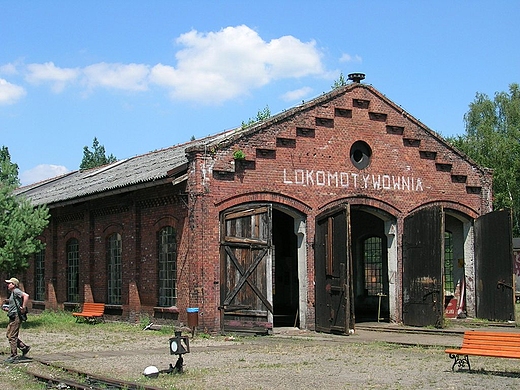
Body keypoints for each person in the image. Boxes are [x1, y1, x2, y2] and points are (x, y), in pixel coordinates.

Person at [3, 277, 30, 363]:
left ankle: (14, 355)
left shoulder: (16, 291)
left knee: (12, 336)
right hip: (12, 316)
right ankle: (24, 347)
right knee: (9, 334)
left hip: (16, 316)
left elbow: (26, 296)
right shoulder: (12, 293)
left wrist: (23, 307)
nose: (8, 285)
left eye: (9, 283)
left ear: (14, 285)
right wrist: (8, 309)